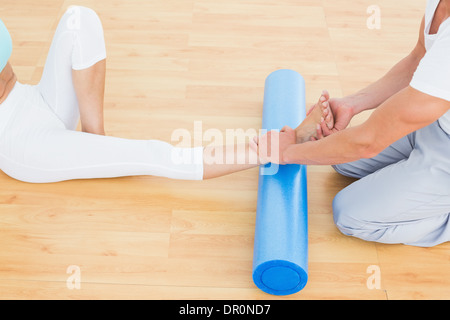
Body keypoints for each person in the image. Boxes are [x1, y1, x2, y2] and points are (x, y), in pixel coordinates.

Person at [0, 7, 331, 182]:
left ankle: (95, 140)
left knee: (79, 18)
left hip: (32, 98)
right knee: (152, 154)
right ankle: (276, 147)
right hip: (21, 141)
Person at [254, 0, 450, 247]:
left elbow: (367, 143)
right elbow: (418, 60)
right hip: (435, 125)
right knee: (340, 159)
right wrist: (352, 104)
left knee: (350, 214)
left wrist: (288, 153)